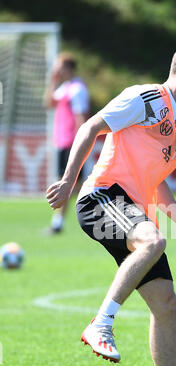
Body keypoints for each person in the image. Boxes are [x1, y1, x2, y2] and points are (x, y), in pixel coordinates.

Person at [46, 37, 176, 366]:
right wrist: (68, 180)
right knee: (153, 240)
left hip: (130, 210)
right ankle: (101, 324)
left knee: (166, 303)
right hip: (101, 198)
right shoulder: (146, 98)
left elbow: (158, 183)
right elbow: (93, 126)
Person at [45, 52, 90, 233]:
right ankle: (60, 222)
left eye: (59, 66)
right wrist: (52, 81)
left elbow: (81, 119)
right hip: (63, 142)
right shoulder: (64, 87)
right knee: (72, 184)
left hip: (73, 143)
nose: (56, 69)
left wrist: (81, 143)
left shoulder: (77, 89)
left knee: (68, 184)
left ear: (68, 68)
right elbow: (49, 103)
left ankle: (58, 224)